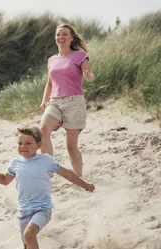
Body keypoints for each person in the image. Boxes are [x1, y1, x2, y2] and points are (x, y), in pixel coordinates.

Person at [0, 126, 95, 249]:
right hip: (23, 211)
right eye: (20, 143)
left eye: (28, 143)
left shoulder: (45, 160)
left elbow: (67, 173)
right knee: (28, 245)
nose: (23, 146)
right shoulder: (15, 162)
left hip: (42, 208)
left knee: (29, 234)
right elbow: (4, 180)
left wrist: (85, 184)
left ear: (39, 145)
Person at [39, 23, 95, 177]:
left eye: (64, 34)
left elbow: (89, 74)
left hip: (74, 103)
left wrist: (89, 76)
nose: (60, 37)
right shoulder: (52, 60)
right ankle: (48, 172)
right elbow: (50, 83)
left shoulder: (80, 56)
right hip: (55, 102)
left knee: (71, 146)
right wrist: (44, 100)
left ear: (71, 38)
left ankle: (78, 176)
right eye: (58, 34)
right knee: (43, 131)